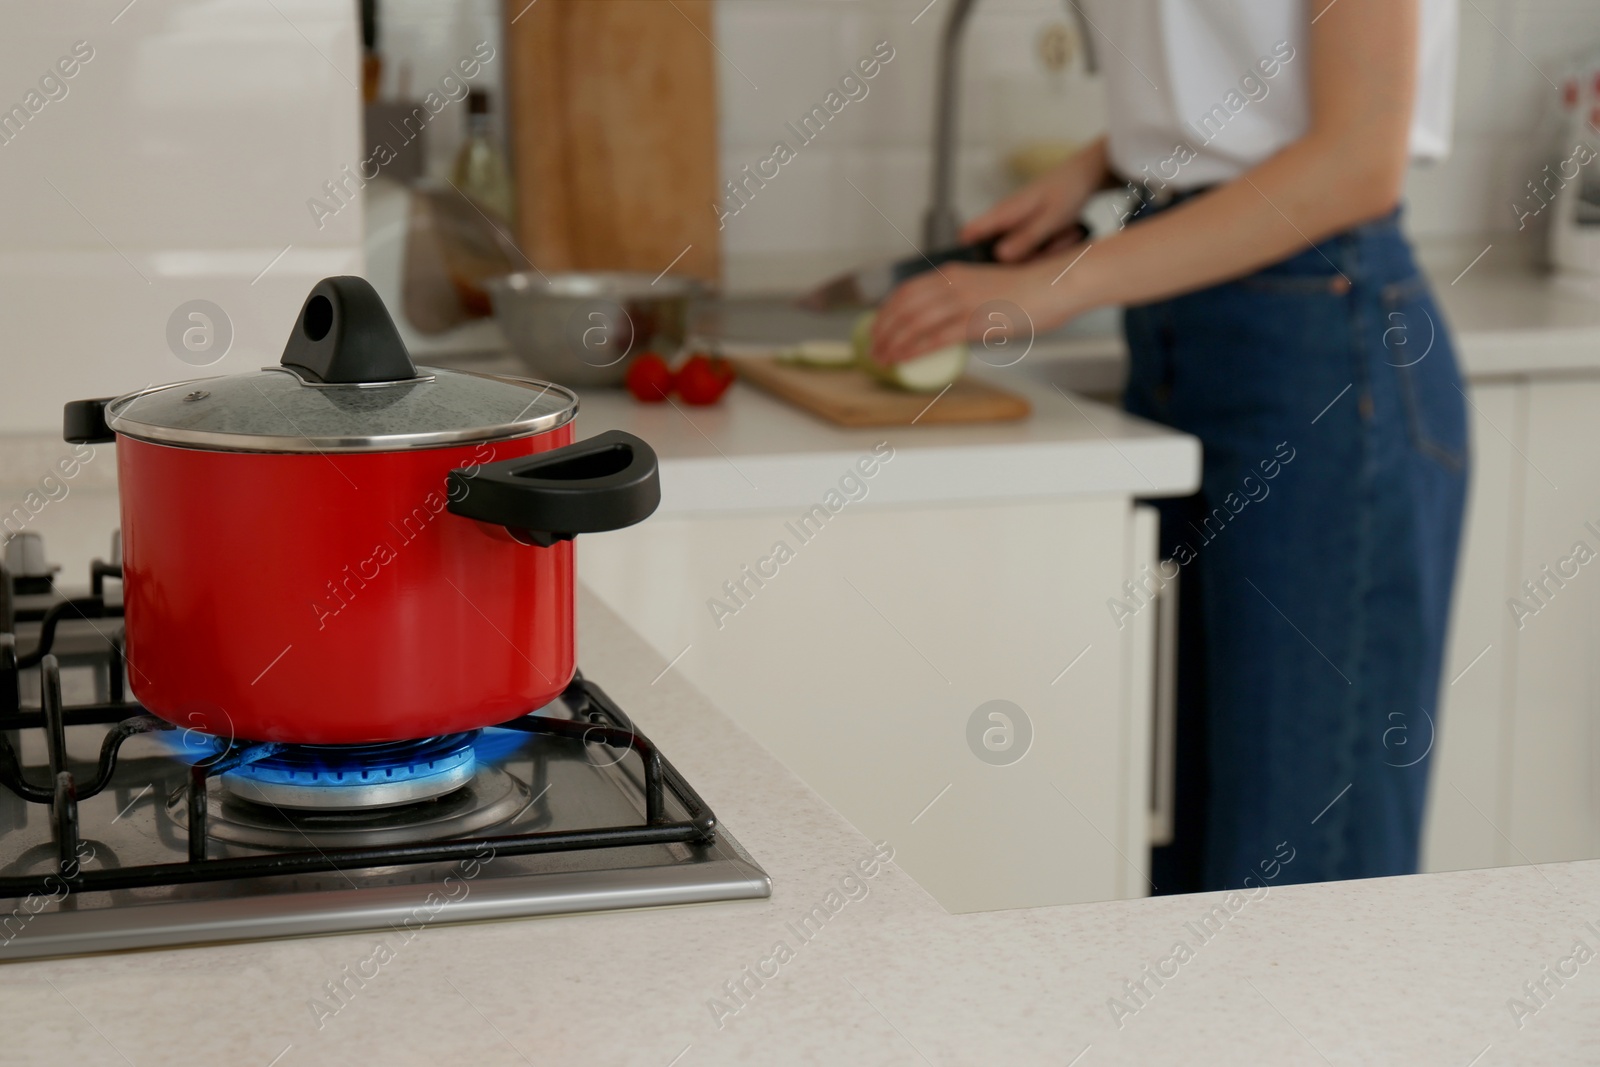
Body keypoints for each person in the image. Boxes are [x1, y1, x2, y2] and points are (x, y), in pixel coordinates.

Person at [872, 0, 1467, 892]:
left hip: (1322, 351)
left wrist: (1059, 284)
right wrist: (1101, 164)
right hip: (1190, 319)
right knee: (1187, 884)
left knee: (1296, 892)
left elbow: (1357, 160)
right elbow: (1249, 70)